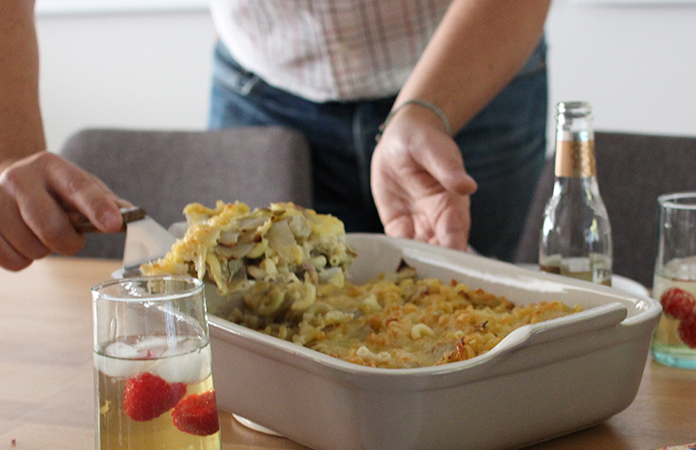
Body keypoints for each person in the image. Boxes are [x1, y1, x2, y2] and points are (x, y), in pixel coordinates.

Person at [0, 0, 551, 272]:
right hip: (261, 81)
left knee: (470, 334)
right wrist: (13, 161)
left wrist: (425, 109)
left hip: (468, 79)